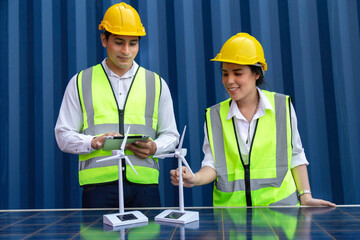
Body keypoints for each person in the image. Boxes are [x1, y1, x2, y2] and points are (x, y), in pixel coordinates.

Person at [170, 33, 335, 207]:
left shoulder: (281, 106)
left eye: (238, 73)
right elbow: (212, 164)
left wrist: (305, 196)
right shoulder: (214, 116)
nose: (229, 81)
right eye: (225, 74)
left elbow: (296, 155)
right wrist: (194, 179)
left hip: (281, 216)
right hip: (233, 219)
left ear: (257, 74)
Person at [55, 2, 179, 208]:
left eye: (133, 43)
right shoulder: (80, 81)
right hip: (97, 189)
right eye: (119, 42)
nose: (126, 51)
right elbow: (63, 135)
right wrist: (93, 142)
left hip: (145, 188)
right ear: (104, 39)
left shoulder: (156, 83)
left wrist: (154, 147)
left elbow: (171, 135)